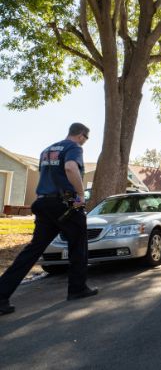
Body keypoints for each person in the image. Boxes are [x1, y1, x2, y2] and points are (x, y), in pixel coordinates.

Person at [0, 123, 98, 316]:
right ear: (81, 135)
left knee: (33, 250)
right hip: (66, 202)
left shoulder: (47, 150)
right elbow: (70, 168)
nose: (84, 143)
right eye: (86, 139)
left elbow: (47, 176)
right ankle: (77, 289)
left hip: (44, 202)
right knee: (78, 245)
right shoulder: (74, 148)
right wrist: (80, 196)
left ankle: (2, 295)